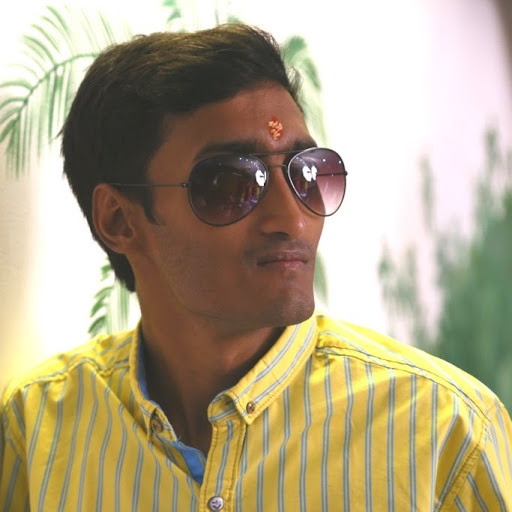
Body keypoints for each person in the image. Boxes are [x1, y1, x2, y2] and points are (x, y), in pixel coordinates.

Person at [0, 24, 511, 512]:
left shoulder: (445, 432)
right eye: (230, 183)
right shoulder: (35, 432)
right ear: (120, 220)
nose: (293, 219)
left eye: (308, 174)